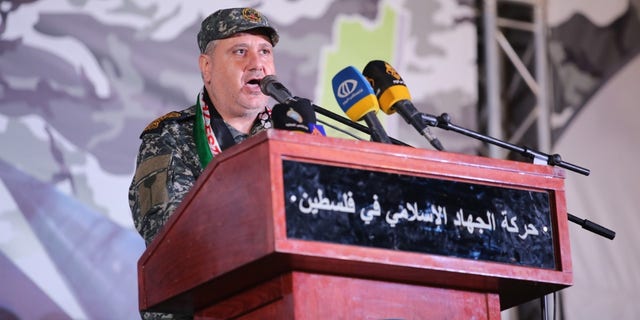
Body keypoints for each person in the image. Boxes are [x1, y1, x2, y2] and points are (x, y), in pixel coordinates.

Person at [128, 7, 279, 319]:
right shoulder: (169, 137)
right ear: (206, 67)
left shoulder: (292, 137)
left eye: (265, 51)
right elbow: (170, 240)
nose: (257, 63)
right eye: (240, 51)